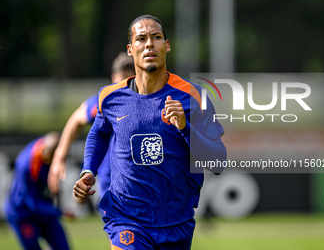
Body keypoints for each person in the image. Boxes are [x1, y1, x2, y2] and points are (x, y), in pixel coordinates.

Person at [73, 15, 227, 249]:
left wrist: (185, 128)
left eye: (156, 38)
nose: (149, 44)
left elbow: (218, 161)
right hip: (126, 218)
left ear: (167, 45)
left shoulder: (194, 97)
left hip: (176, 221)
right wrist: (88, 169)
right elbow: (99, 133)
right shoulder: (110, 97)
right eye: (141, 39)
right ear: (130, 49)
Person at [48, 52, 135, 199]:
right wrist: (59, 156)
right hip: (112, 183)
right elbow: (76, 119)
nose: (124, 90)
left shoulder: (148, 101)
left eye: (129, 83)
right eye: (120, 83)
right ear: (113, 79)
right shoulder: (107, 102)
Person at [3, 132, 70, 250]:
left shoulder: (52, 146)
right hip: (23, 213)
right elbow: (31, 202)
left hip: (44, 209)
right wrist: (59, 212)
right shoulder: (26, 165)